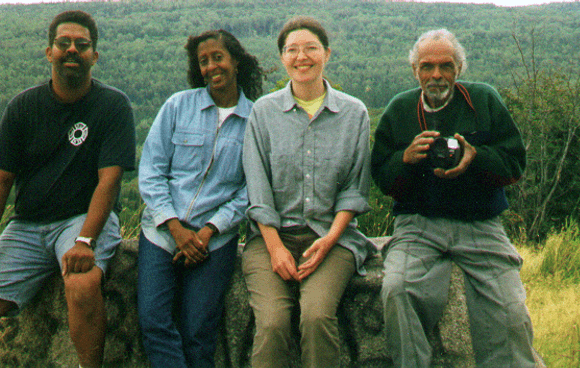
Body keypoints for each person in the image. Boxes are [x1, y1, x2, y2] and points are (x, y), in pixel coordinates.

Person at [0, 10, 135, 368]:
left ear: (95, 55)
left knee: (81, 283)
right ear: (49, 53)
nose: (72, 50)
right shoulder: (23, 107)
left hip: (82, 220)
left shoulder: (112, 106)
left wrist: (85, 241)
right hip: (28, 226)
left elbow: (110, 181)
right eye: (63, 44)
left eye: (82, 44)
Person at [371, 28, 537, 367]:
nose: (436, 75)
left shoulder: (483, 100)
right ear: (414, 70)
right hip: (417, 225)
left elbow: (515, 163)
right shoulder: (400, 109)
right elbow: (380, 176)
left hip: (480, 223)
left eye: (446, 66)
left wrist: (477, 157)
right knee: (397, 290)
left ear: (458, 69)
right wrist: (405, 158)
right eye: (426, 67)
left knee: (509, 308)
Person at [242, 16, 375, 367]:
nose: (302, 57)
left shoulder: (354, 113)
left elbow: (354, 189)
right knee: (271, 323)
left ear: (327, 54)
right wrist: (274, 248)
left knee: (316, 317)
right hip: (270, 238)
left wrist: (329, 240)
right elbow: (257, 188)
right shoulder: (264, 112)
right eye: (292, 50)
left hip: (333, 238)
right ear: (283, 57)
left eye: (311, 48)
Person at [137, 29, 263, 367]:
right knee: (153, 321)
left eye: (217, 57)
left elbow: (251, 189)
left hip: (215, 240)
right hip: (161, 233)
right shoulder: (178, 106)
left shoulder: (255, 120)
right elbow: (151, 170)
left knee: (198, 332)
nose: (211, 66)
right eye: (203, 61)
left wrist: (208, 231)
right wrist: (176, 229)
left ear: (236, 60)